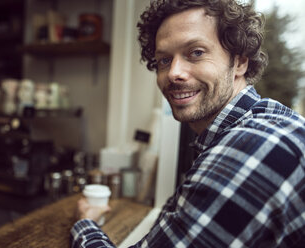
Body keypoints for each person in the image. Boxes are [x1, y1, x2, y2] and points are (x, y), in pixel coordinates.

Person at [71, 0, 305, 247]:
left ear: (239, 62)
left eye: (196, 52)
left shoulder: (253, 146)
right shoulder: (265, 121)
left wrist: (84, 223)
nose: (173, 73)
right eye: (164, 60)